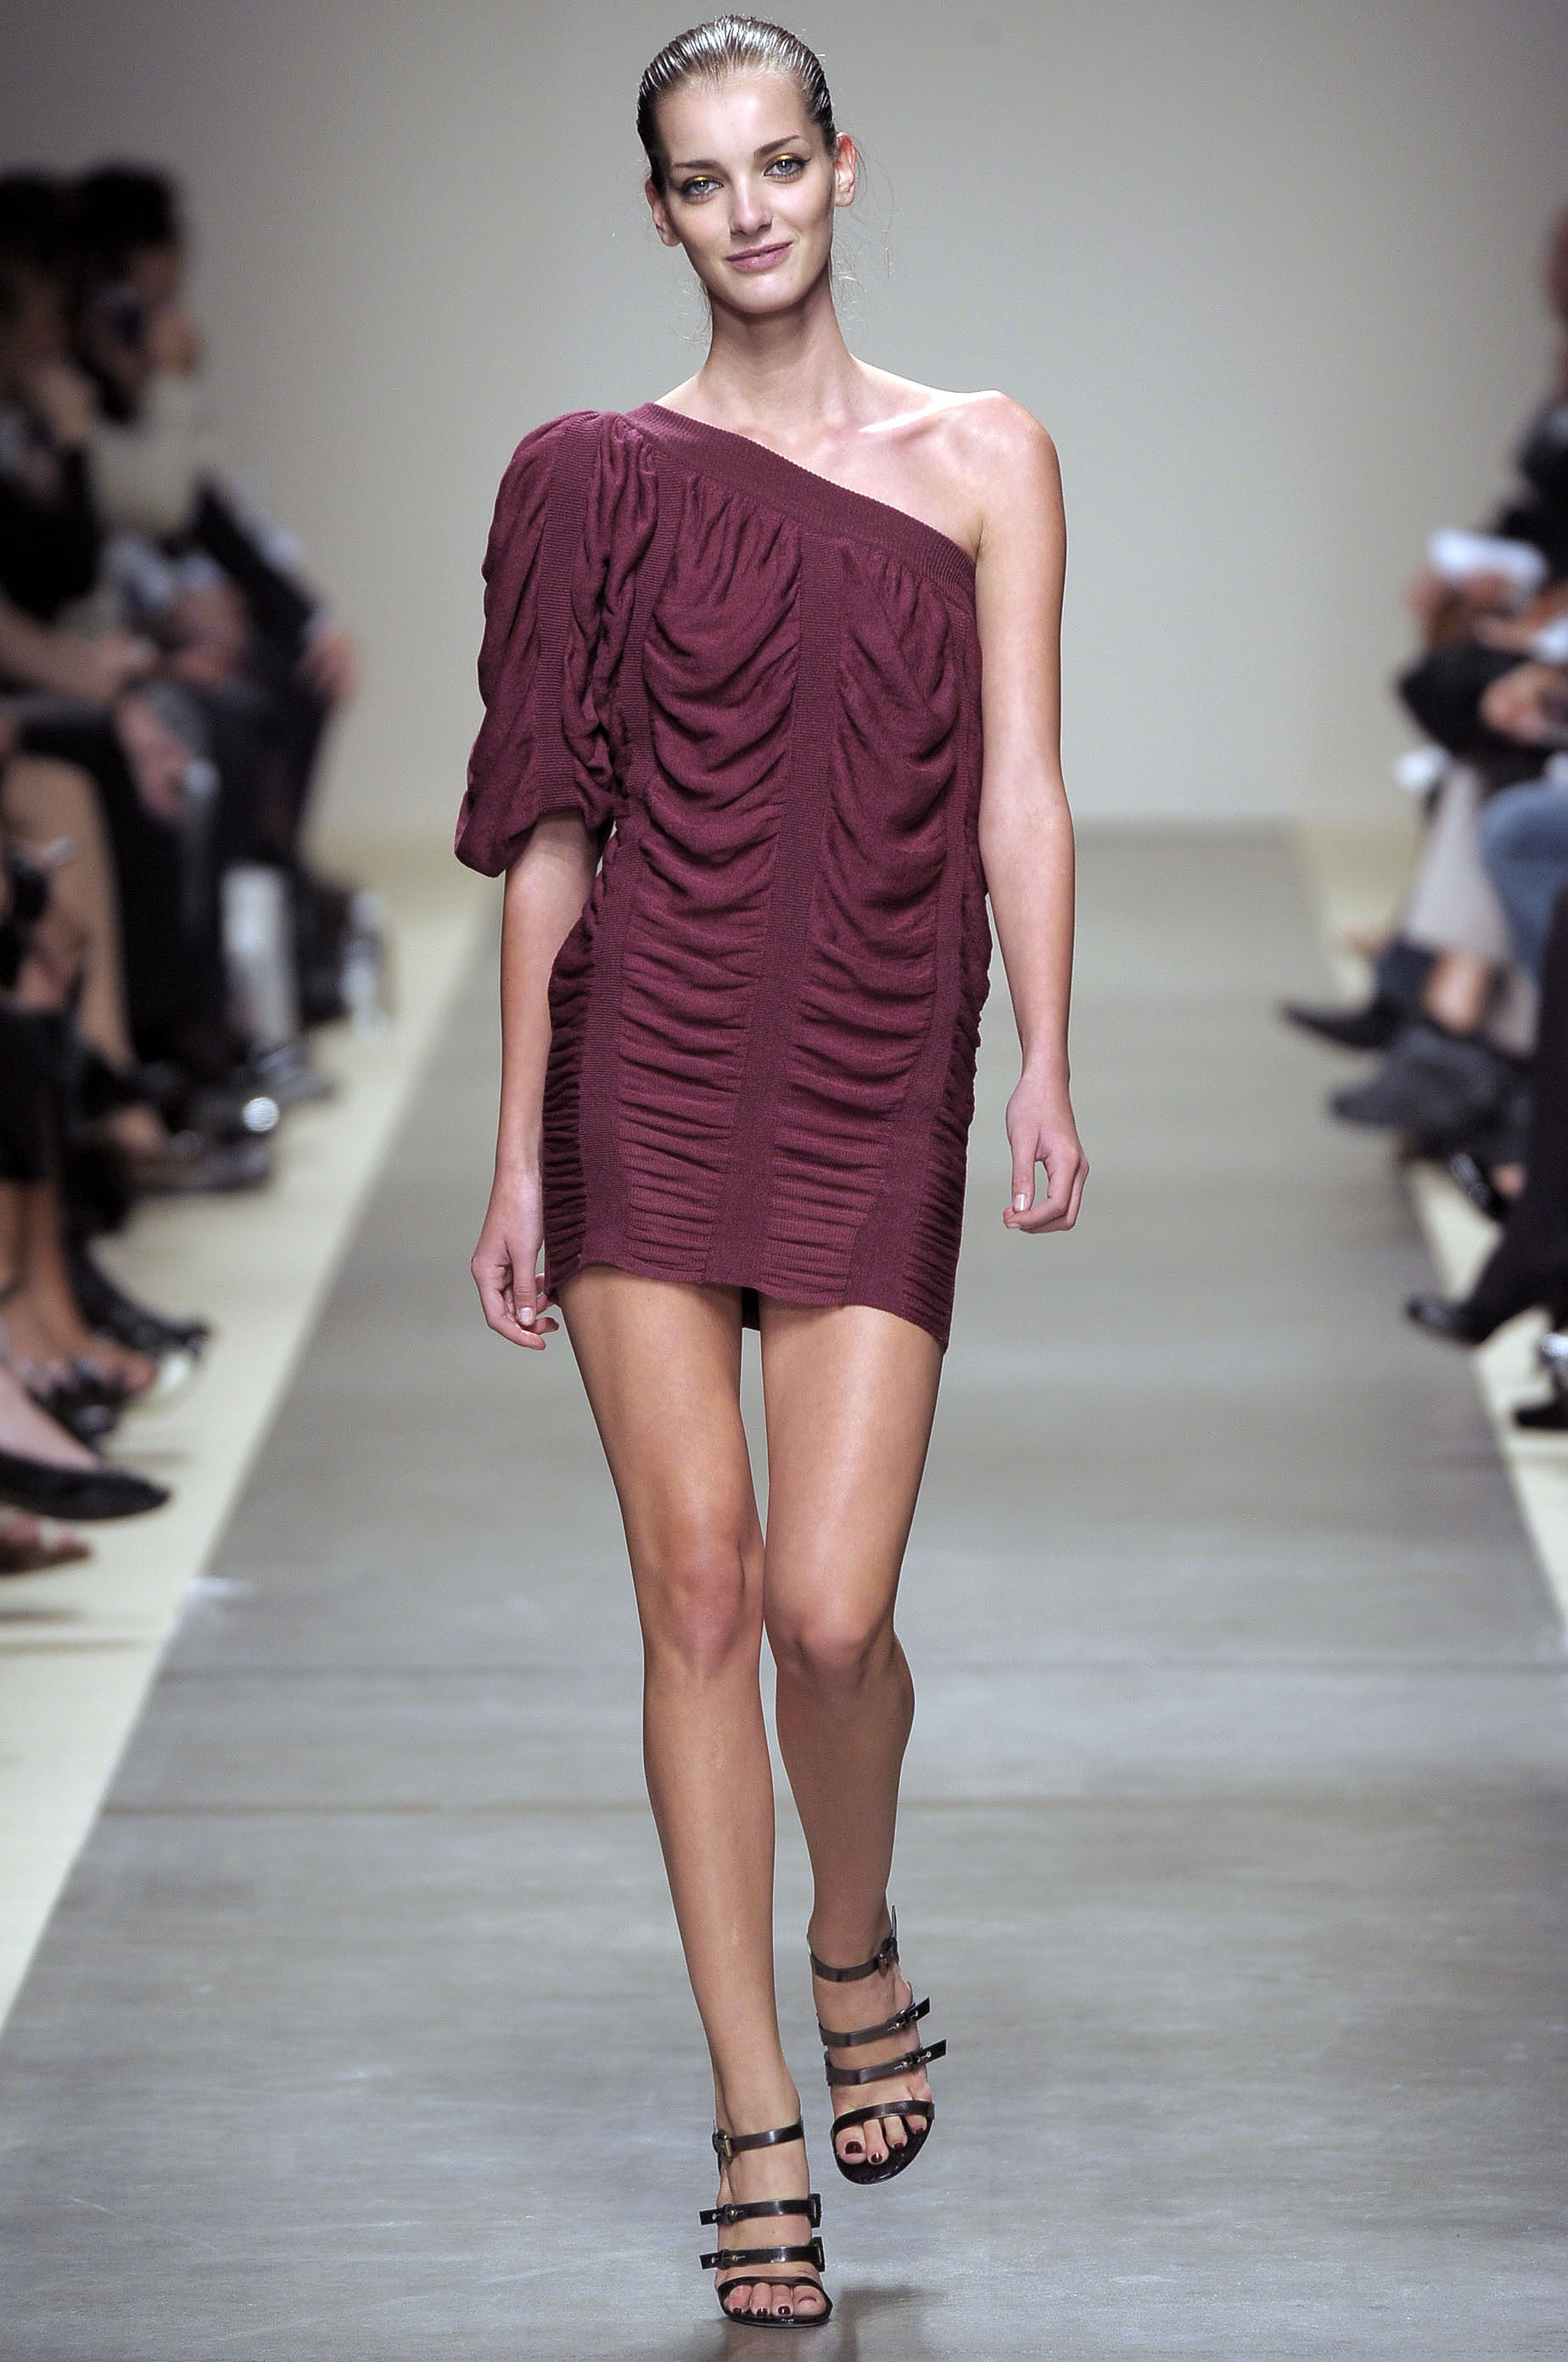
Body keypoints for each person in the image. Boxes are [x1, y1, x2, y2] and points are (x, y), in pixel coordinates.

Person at [458, 15, 1085, 2331]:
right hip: (651, 1053)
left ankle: (853, 1932)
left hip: (874, 1049)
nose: (750, 210)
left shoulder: (987, 452)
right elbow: (547, 831)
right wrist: (517, 1143)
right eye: (704, 179)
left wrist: (1046, 1059)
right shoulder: (586, 479)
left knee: (832, 1611)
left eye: (780, 163)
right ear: (660, 212)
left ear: (842, 167)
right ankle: (751, 2122)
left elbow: (1022, 782)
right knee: (702, 1597)